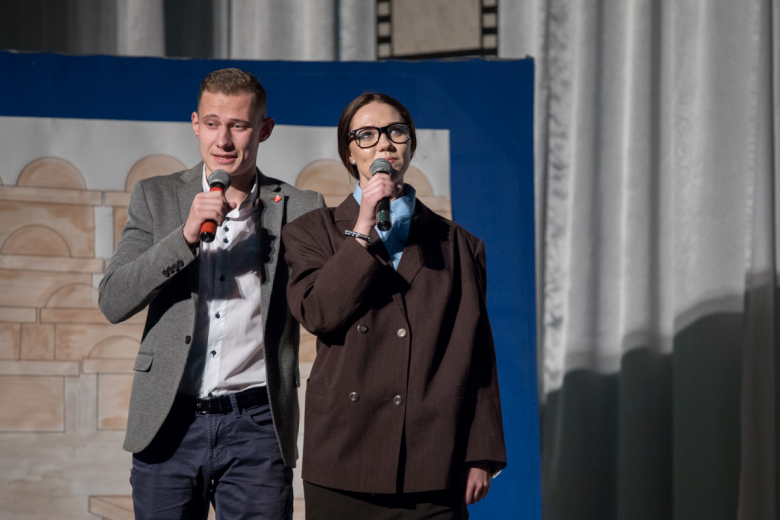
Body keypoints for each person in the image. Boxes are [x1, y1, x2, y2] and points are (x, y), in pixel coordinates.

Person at [98, 68, 324, 520]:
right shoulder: (157, 197)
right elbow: (113, 300)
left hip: (257, 424)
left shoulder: (300, 207)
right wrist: (183, 237)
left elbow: (323, 305)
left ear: (264, 129)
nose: (223, 139)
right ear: (196, 124)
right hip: (169, 420)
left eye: (238, 125)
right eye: (213, 123)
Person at [282, 93, 507, 519]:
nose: (384, 143)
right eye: (366, 134)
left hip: (434, 453)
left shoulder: (459, 244)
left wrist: (481, 451)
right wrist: (363, 227)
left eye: (395, 131)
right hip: (344, 451)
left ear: (410, 145)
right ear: (349, 153)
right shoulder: (312, 231)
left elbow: (478, 352)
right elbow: (318, 314)